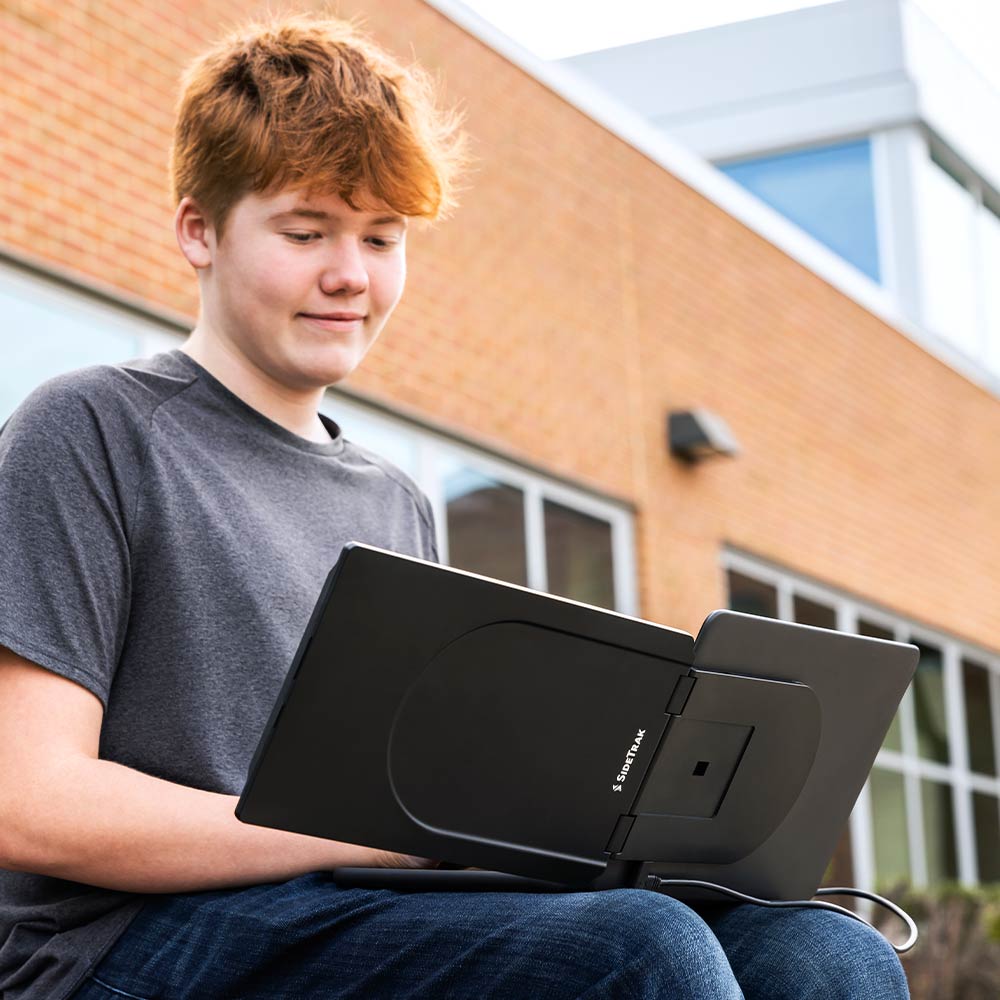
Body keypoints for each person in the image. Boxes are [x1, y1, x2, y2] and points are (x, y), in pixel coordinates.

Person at [0, 13, 909, 1000]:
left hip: (352, 907)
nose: (350, 275)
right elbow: (32, 802)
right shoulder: (89, 430)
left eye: (382, 237)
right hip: (126, 946)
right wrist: (367, 832)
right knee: (637, 950)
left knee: (826, 951)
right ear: (199, 231)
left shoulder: (390, 499)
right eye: (306, 232)